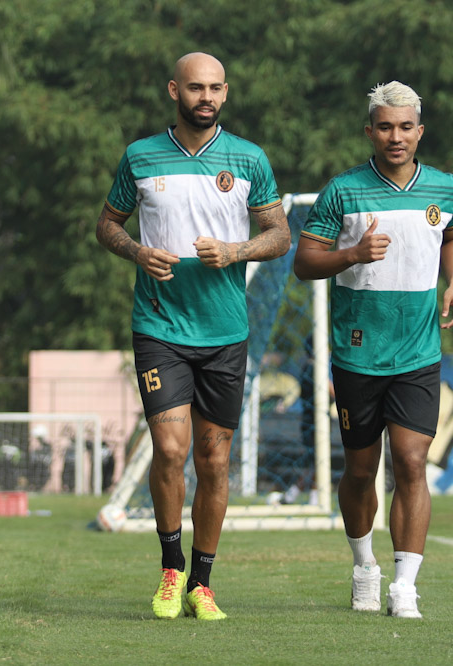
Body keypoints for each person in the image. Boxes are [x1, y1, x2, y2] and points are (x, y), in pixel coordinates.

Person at [95, 52, 291, 621]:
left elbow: (278, 234)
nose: (205, 98)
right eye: (194, 89)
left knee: (213, 459)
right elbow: (106, 224)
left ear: (225, 93)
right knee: (171, 449)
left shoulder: (249, 158)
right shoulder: (140, 156)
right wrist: (136, 249)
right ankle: (170, 569)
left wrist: (236, 250)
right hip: (159, 327)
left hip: (226, 331)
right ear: (173, 91)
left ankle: (202, 583)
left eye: (214, 89)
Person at [293, 81, 453, 619]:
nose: (396, 136)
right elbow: (303, 263)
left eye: (406, 126)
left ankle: (405, 586)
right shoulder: (342, 192)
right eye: (385, 126)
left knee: (412, 463)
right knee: (362, 470)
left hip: (418, 353)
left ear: (420, 131)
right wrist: (351, 254)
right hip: (357, 355)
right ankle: (365, 566)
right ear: (370, 130)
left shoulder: (444, 187)